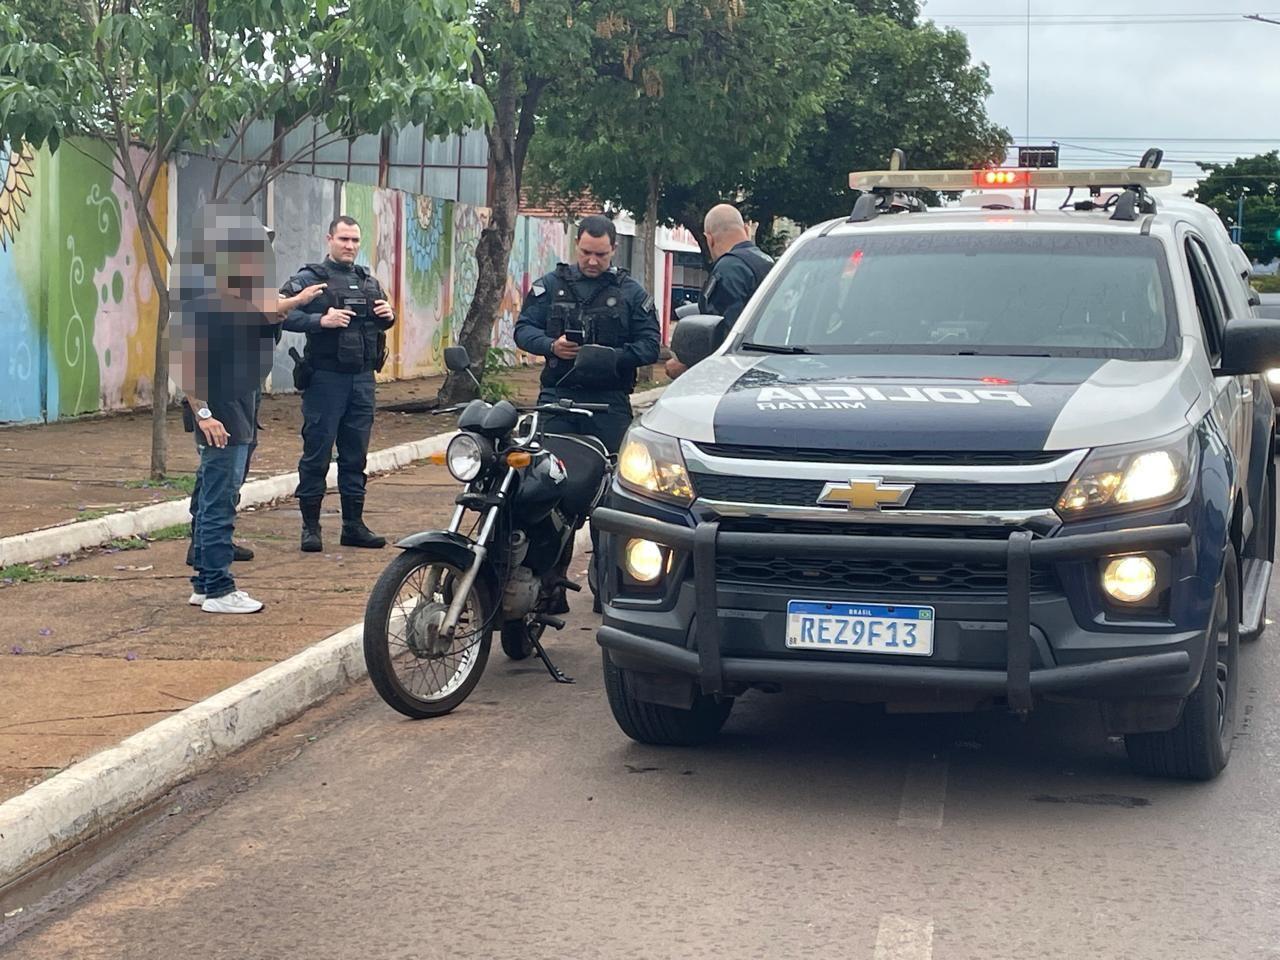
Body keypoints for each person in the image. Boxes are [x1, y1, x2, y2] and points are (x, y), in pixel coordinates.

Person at [514, 214, 660, 611]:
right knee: (544, 491)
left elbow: (651, 345)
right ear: (575, 246)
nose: (592, 261)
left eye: (600, 254)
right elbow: (522, 329)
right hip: (557, 399)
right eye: (585, 253)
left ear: (613, 250)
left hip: (608, 404)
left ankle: (608, 587)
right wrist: (550, 345)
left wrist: (609, 358)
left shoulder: (631, 293)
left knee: (611, 499)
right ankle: (548, 586)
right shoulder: (550, 286)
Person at [175, 210, 278, 614]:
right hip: (222, 419)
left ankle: (204, 582)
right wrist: (204, 415)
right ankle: (218, 587)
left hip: (237, 413)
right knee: (218, 502)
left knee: (213, 499)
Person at [184, 280, 326, 568]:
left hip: (243, 408)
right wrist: (204, 416)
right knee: (217, 491)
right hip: (220, 412)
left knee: (228, 486)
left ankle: (211, 549)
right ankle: (210, 572)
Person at [280, 216, 395, 553]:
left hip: (362, 380)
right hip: (326, 380)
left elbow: (381, 323)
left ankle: (353, 526)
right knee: (316, 453)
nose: (350, 246)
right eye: (344, 239)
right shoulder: (310, 279)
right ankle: (311, 528)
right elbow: (279, 313)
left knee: (355, 455)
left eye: (355, 240)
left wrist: (389, 315)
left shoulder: (368, 282)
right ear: (329, 238)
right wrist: (320, 320)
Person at [665, 204, 774, 379]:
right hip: (771, 365)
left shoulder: (728, 269)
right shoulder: (768, 262)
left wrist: (688, 366)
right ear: (746, 229)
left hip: (735, 377)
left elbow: (725, 336)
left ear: (710, 239)